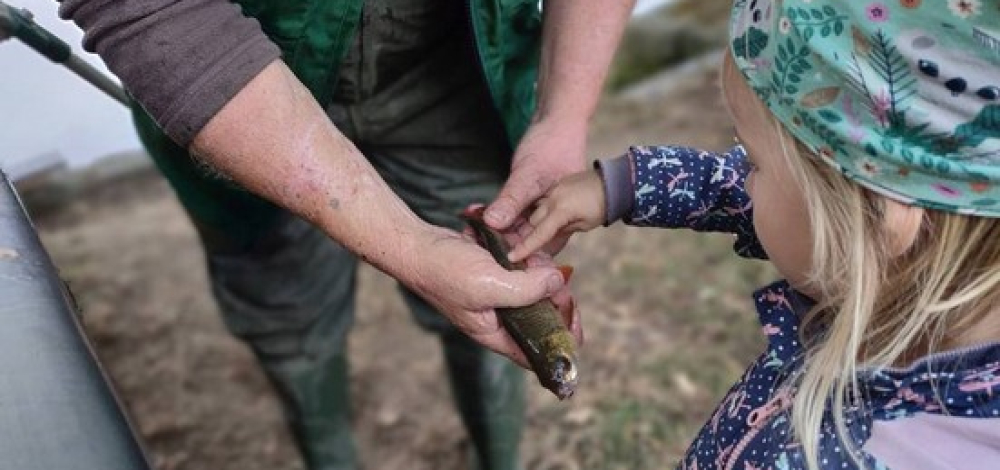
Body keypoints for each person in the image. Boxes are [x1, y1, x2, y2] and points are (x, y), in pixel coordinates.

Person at [58, 1, 635, 469]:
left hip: (455, 72)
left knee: (497, 302)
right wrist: (412, 248)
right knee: (291, 326)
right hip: (237, 95)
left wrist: (562, 117)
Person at [510, 1, 1000, 468]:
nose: (740, 175)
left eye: (755, 162)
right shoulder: (892, 271)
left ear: (877, 222)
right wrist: (620, 187)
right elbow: (746, 195)